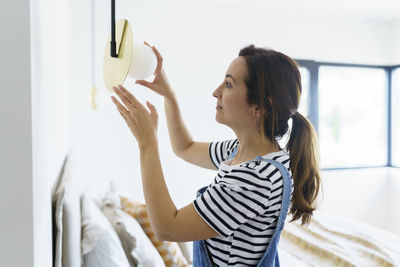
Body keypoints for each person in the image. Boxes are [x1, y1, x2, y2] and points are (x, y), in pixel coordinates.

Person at [111, 42, 322, 266]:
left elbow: (167, 228)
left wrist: (147, 143)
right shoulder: (241, 151)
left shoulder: (256, 177)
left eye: (228, 84)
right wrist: (169, 96)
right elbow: (185, 147)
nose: (216, 92)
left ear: (259, 106)